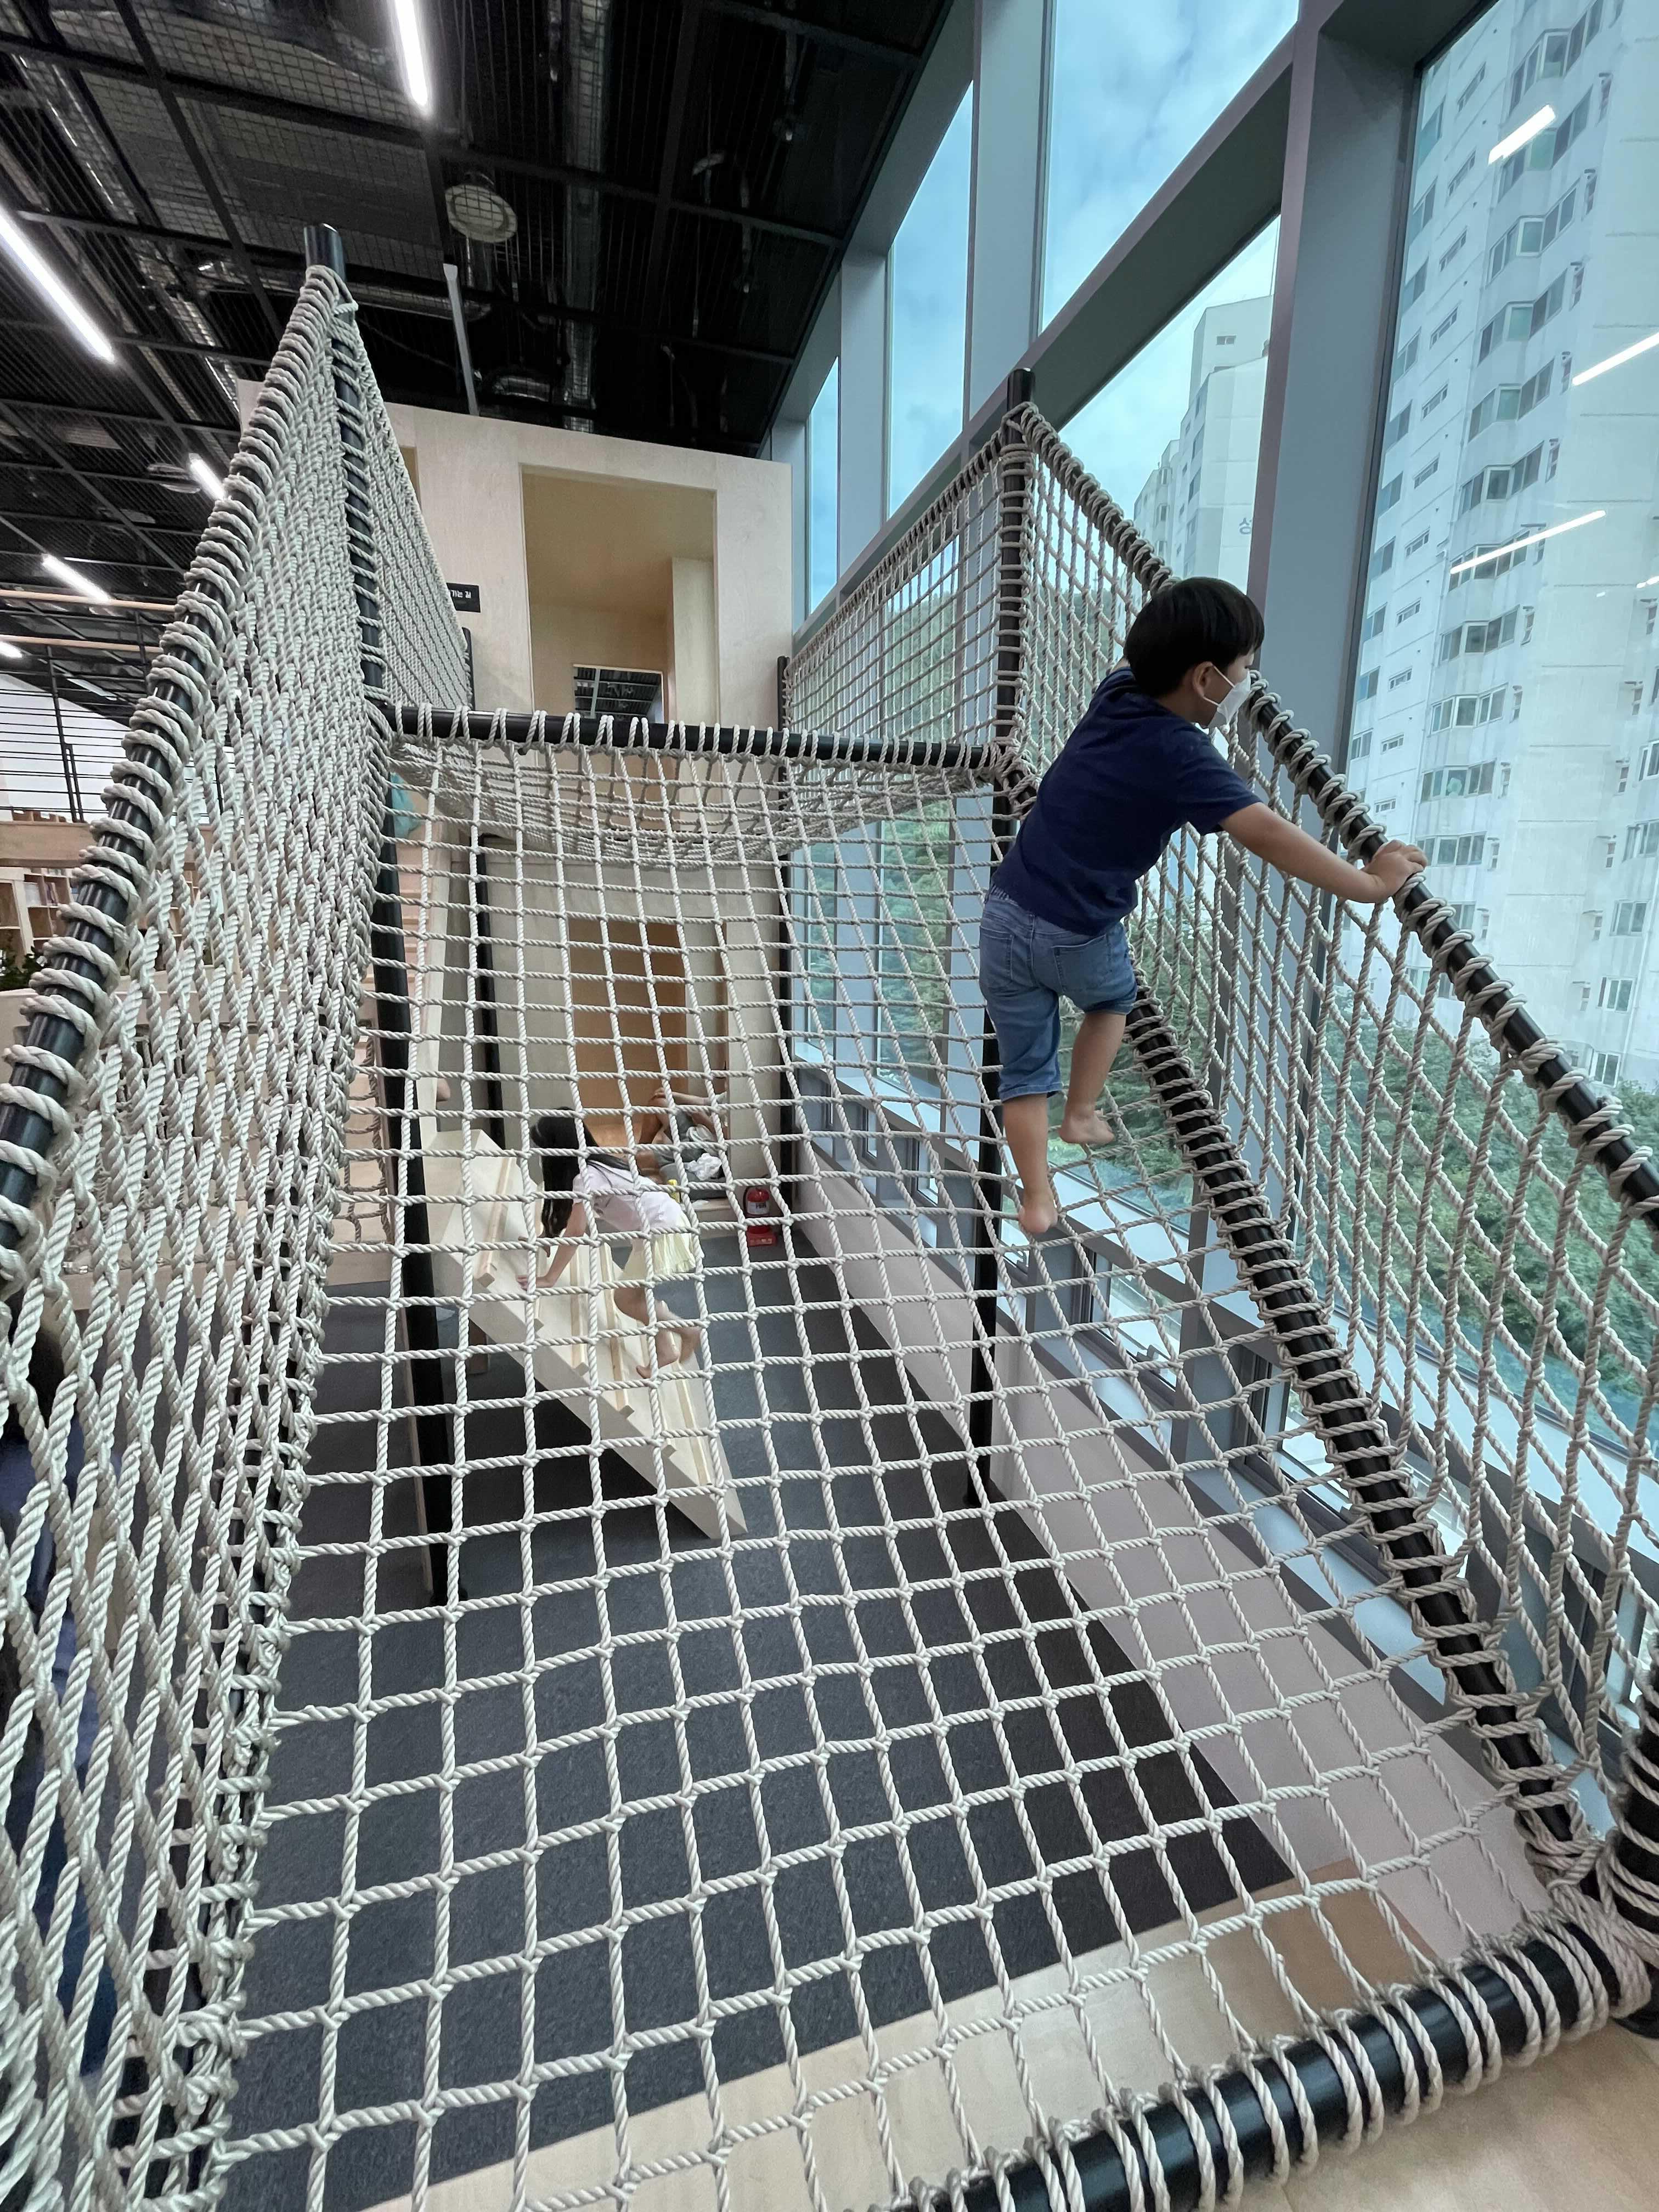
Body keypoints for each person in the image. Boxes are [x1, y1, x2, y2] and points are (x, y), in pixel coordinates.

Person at [980, 576, 1425, 1237]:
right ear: (1207, 678)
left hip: (1004, 913)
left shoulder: (1117, 693)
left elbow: (1140, 655)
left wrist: (1181, 614)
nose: (1250, 681)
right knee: (1112, 1002)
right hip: (1079, 933)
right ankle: (1080, 1111)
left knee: (1022, 1075)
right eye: (1245, 668)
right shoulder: (1184, 754)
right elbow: (1266, 833)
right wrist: (1369, 884)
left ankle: (1037, 1198)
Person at [0, 1299, 119, 2078]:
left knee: (52, 1886)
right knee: (56, 1887)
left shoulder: (30, 1465)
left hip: (29, 1704)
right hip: (48, 1694)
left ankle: (107, 2057)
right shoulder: (53, 1416)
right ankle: (108, 2057)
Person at [531, 1113, 704, 1377]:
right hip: (660, 1222)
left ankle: (687, 1331)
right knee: (637, 1295)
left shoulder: (587, 1177)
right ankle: (665, 1350)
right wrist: (547, 1237)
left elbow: (577, 1230)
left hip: (660, 1229)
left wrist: (550, 1277)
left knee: (624, 1299)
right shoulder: (599, 1165)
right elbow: (569, 1215)